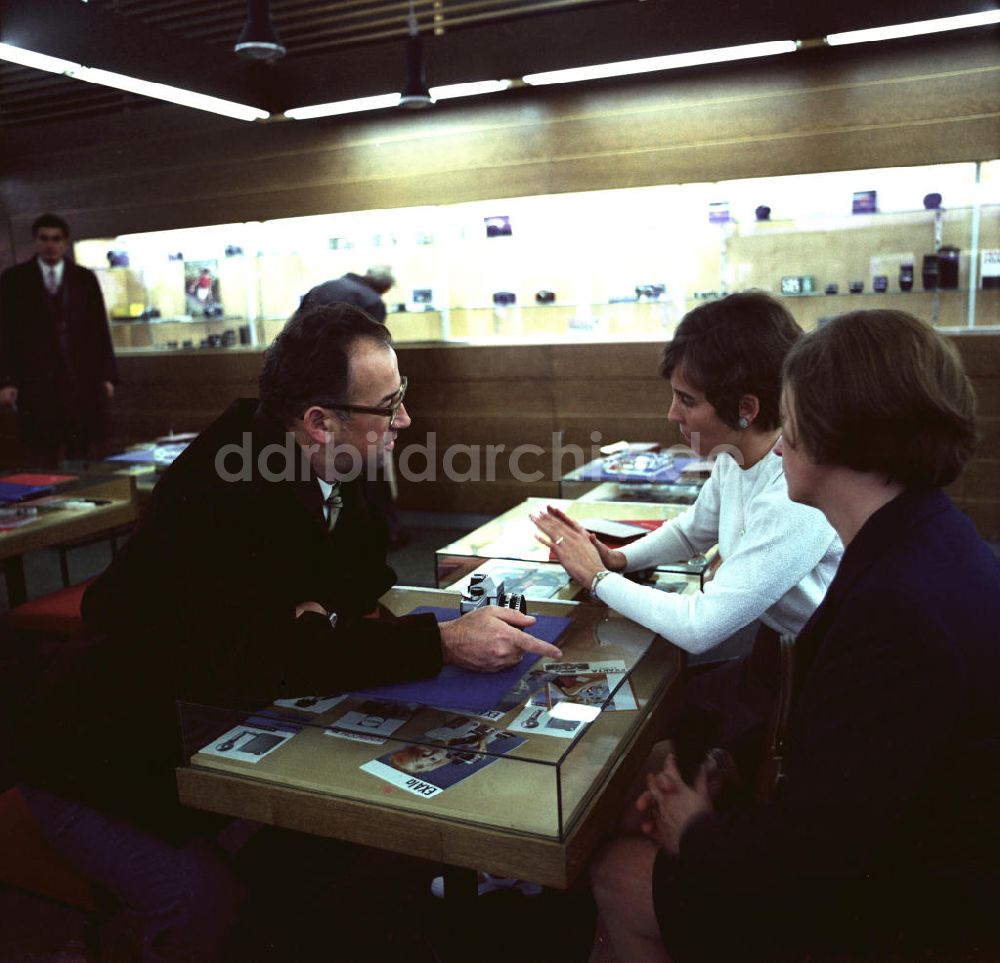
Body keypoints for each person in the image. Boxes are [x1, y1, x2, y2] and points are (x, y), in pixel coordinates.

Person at [12, 302, 560, 962]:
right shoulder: (226, 484)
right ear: (319, 421)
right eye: (388, 406)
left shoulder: (325, 457)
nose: (406, 421)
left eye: (401, 397)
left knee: (318, 854)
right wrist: (438, 641)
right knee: (204, 904)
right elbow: (269, 654)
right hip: (93, 760)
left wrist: (313, 616)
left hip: (194, 716)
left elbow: (357, 578)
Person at [590, 309, 1000, 962]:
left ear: (847, 437)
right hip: (905, 860)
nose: (779, 445)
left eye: (794, 422)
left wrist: (695, 828)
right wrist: (734, 769)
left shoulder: (898, 613)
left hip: (914, 918)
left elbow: (813, 855)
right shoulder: (920, 542)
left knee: (618, 874)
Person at [532, 292, 842, 658]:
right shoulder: (736, 455)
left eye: (687, 400)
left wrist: (596, 578)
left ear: (746, 408)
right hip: (778, 642)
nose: (672, 414)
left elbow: (699, 627)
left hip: (824, 663)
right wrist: (620, 559)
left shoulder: (795, 494)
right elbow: (691, 531)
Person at [0, 213, 119, 466]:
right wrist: (6, 381)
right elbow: (4, 333)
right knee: (41, 449)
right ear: (35, 241)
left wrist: (107, 375)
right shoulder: (14, 280)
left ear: (65, 243)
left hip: (79, 377)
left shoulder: (83, 278)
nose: (50, 245)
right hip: (35, 379)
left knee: (81, 448)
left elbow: (99, 328)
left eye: (56, 239)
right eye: (44, 239)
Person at [302, 264, 404, 543]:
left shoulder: (321, 288)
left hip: (310, 392)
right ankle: (386, 531)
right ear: (383, 287)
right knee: (372, 465)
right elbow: (376, 355)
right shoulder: (370, 301)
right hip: (353, 395)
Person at [302, 264, 394, 323]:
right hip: (344, 352)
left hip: (308, 349)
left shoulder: (322, 288)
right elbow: (374, 340)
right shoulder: (373, 301)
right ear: (384, 287)